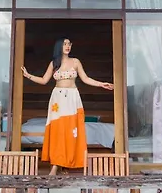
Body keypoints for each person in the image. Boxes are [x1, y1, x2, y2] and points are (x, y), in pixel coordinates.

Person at [21, 37, 113, 175]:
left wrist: (101, 84)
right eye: (64, 44)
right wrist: (28, 75)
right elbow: (44, 80)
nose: (67, 46)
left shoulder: (75, 62)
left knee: (71, 131)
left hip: (72, 98)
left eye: (69, 44)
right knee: (58, 131)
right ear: (59, 46)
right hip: (57, 100)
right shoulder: (54, 63)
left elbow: (86, 78)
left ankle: (66, 163)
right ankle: (56, 165)